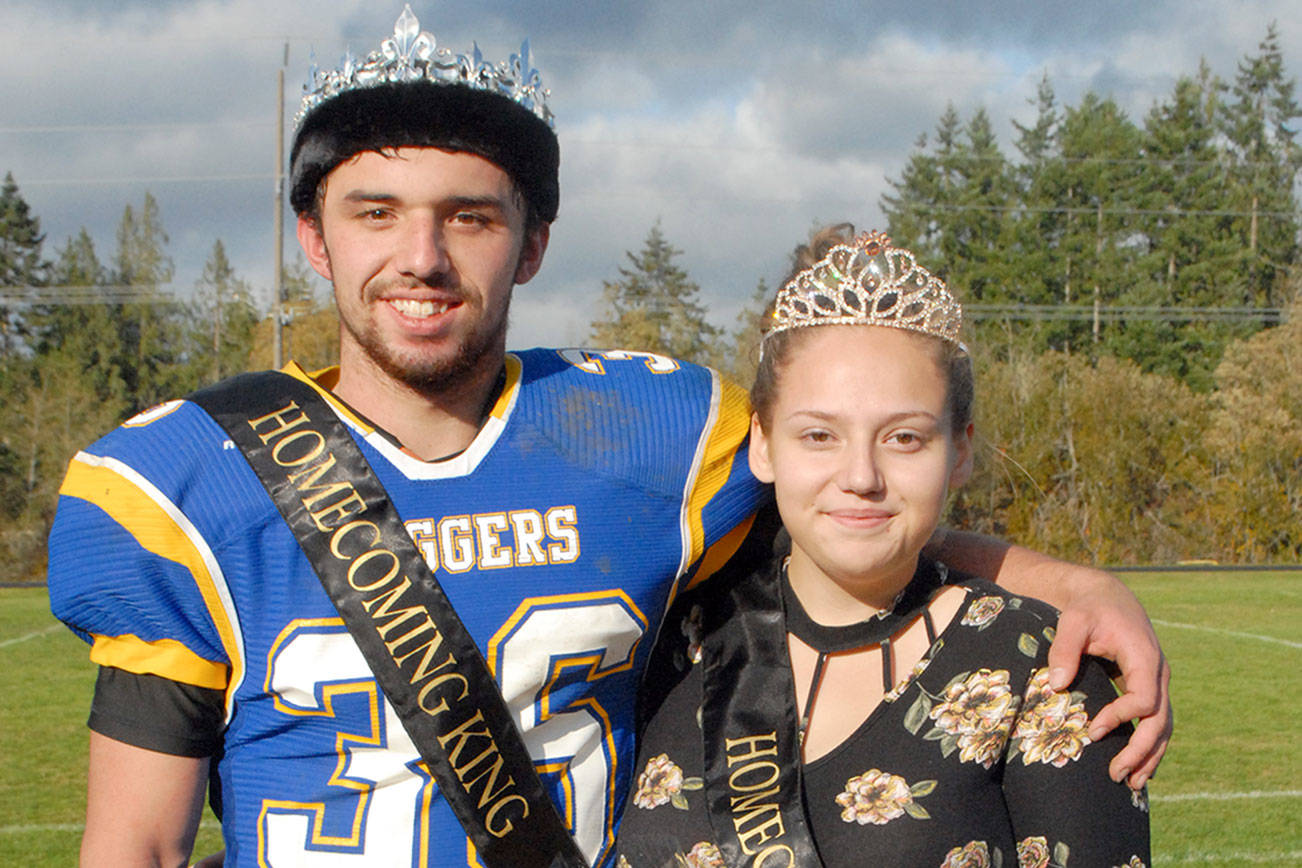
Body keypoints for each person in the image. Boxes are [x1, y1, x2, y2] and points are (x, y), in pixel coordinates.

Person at [47, 8, 1166, 867]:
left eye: (470, 216)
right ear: (313, 237)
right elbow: (136, 844)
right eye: (375, 211)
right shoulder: (187, 481)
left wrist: (1064, 580)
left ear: (532, 243)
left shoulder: (656, 434)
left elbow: (850, 503)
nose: (422, 258)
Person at [614, 226, 1151, 867]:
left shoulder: (1042, 671)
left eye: (904, 438)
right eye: (819, 435)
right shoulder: (671, 636)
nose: (861, 476)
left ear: (960, 452)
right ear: (762, 442)